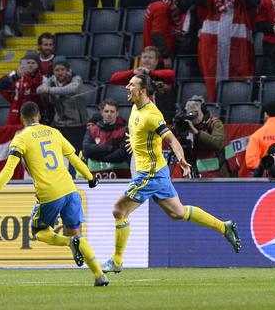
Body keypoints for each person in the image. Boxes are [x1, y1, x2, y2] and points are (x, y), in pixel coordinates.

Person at [101, 74, 241, 273]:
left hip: (149, 174)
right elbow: (142, 135)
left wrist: (181, 159)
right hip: (158, 172)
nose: (126, 87)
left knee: (119, 210)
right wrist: (135, 143)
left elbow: (173, 140)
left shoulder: (152, 115)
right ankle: (224, 227)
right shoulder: (135, 108)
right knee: (178, 212)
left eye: (131, 84)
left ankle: (116, 260)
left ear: (142, 91)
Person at [0, 101, 108, 287]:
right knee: (78, 234)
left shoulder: (21, 139)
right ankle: (99, 275)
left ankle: (69, 243)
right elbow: (73, 158)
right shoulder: (54, 132)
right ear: (39, 115)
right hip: (70, 189)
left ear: (22, 118)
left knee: (38, 231)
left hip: (49, 193)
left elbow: (9, 168)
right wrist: (90, 178)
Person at [194, 0, 257, 101]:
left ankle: (235, 102)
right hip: (213, 43)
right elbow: (197, 0)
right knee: (211, 72)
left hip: (237, 42)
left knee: (237, 73)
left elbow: (253, 3)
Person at [110, 46, 175, 120]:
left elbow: (172, 74)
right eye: (144, 57)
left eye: (150, 57)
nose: (147, 59)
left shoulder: (161, 75)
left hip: (161, 116)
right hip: (140, 118)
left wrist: (150, 72)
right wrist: (133, 72)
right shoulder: (135, 77)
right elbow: (113, 79)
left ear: (156, 61)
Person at [173, 95, 228, 177]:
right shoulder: (186, 125)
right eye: (189, 113)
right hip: (198, 171)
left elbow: (218, 143)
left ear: (203, 110)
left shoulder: (215, 123)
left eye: (195, 112)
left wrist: (196, 132)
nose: (193, 115)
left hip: (218, 173)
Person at [143, 0, 183, 66]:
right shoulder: (162, 8)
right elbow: (157, 34)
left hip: (153, 54)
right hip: (158, 58)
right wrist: (165, 56)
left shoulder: (155, 4)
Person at [82, 99, 130, 179]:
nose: (109, 114)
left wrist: (99, 157)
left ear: (117, 113)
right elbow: (87, 149)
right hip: (95, 174)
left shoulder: (124, 130)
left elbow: (122, 153)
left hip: (121, 174)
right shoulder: (92, 130)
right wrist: (109, 148)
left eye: (112, 111)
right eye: (106, 111)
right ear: (101, 113)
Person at [0, 51, 45, 125]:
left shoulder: (42, 78)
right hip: (14, 115)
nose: (30, 65)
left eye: (33, 63)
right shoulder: (15, 75)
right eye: (28, 63)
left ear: (38, 65)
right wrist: (16, 76)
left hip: (33, 116)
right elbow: (0, 85)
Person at [36, 57, 86, 127]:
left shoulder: (76, 79)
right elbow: (39, 89)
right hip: (59, 123)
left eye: (63, 69)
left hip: (77, 123)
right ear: (53, 71)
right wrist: (43, 89)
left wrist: (49, 90)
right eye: (57, 70)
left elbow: (72, 89)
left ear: (68, 70)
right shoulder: (52, 80)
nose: (60, 73)